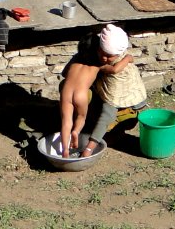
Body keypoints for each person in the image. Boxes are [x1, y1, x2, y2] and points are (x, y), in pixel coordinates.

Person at [57, 24, 147, 158]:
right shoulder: (99, 64)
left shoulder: (86, 59)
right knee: (81, 117)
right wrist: (128, 58)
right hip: (81, 96)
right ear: (97, 49)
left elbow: (65, 74)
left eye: (109, 56)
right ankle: (77, 131)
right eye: (102, 54)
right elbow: (115, 68)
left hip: (122, 112)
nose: (105, 59)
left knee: (66, 121)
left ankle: (67, 148)